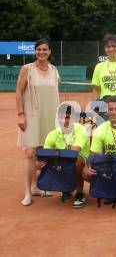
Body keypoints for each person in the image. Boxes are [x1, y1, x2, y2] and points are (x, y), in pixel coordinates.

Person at [16, 39, 60, 206]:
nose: (41, 52)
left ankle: (35, 187)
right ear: (35, 52)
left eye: (45, 50)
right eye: (39, 49)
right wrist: (21, 114)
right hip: (31, 116)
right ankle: (27, 192)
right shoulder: (27, 69)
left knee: (43, 152)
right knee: (29, 153)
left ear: (50, 52)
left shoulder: (55, 70)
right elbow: (19, 93)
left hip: (49, 117)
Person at [42, 103, 89, 208]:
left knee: (75, 160)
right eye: (61, 117)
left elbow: (74, 152)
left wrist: (55, 155)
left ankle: (79, 193)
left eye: (67, 117)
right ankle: (66, 188)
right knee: (44, 165)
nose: (64, 121)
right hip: (63, 160)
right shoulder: (52, 134)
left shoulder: (81, 129)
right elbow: (45, 156)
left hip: (83, 162)